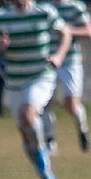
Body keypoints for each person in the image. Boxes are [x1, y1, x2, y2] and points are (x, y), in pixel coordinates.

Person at [0, 0, 72, 179]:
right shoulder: (1, 16)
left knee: (28, 115)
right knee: (25, 132)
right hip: (15, 80)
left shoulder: (45, 11)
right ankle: (45, 173)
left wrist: (58, 56)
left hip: (41, 76)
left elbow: (65, 33)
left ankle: (45, 159)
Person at [38, 0, 90, 153]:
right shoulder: (42, 7)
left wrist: (67, 31)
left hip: (70, 61)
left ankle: (82, 130)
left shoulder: (75, 7)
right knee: (45, 103)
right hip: (47, 61)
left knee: (71, 104)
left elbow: (88, 30)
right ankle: (49, 140)